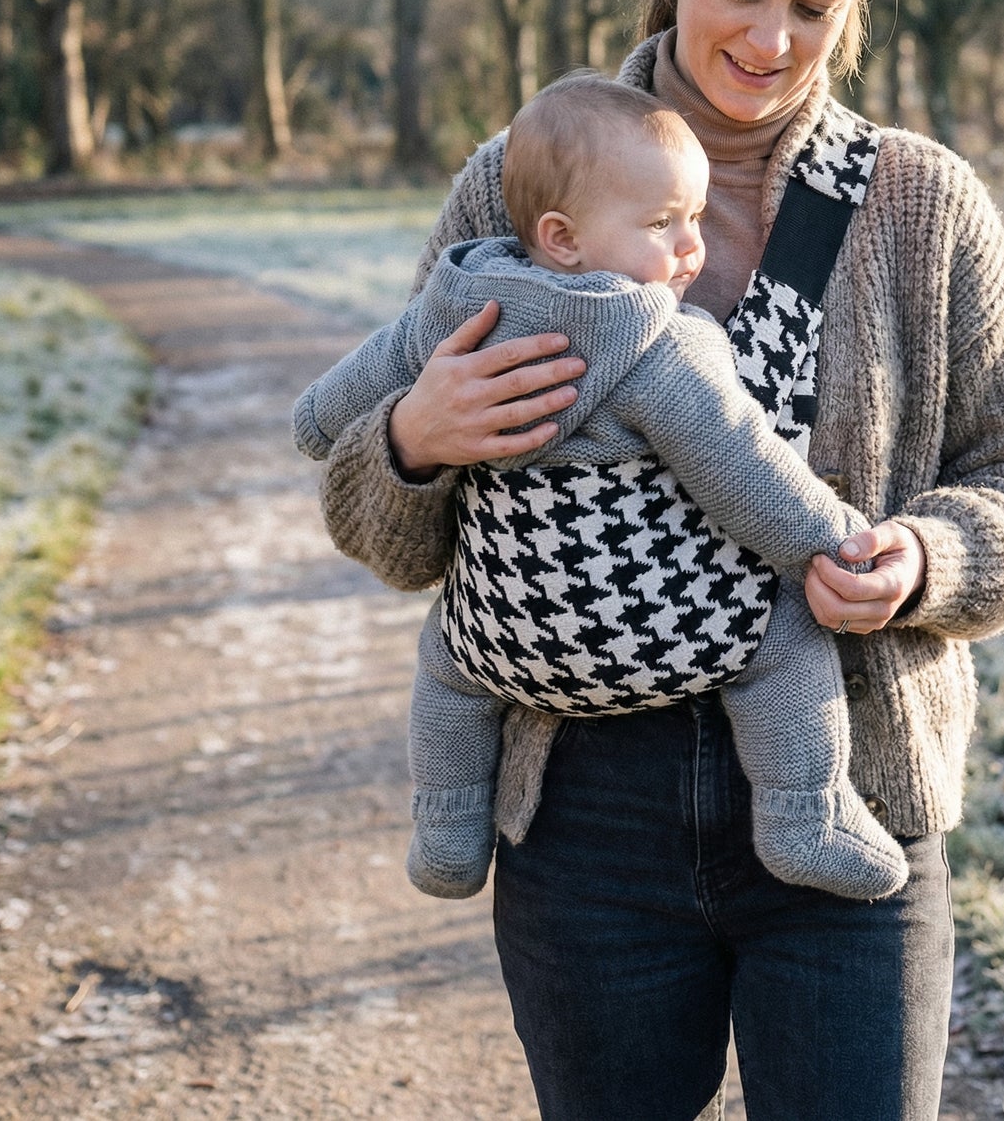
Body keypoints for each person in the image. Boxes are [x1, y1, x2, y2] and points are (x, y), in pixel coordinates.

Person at [316, 0, 1004, 1121]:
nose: (771, 37)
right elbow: (386, 533)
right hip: (582, 820)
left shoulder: (919, 204)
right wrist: (410, 442)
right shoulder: (518, 185)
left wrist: (922, 556)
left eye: (815, 5)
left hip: (845, 788)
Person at [294, 72, 907, 904]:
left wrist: (356, 417)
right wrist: (836, 542)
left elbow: (327, 412)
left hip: (504, 639)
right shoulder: (655, 340)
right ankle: (804, 814)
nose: (691, 246)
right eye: (664, 224)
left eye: (694, 219)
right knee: (786, 633)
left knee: (444, 665)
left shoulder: (457, 299)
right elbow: (741, 466)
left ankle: (445, 827)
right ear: (563, 236)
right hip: (673, 636)